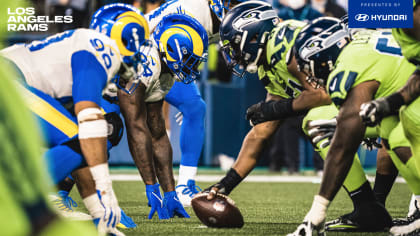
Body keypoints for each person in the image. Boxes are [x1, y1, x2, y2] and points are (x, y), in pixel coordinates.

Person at [204, 2, 393, 232]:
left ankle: (368, 206)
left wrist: (276, 109)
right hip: (366, 96)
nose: (233, 55)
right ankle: (374, 207)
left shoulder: (284, 43)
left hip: (378, 90)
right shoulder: (268, 64)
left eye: (235, 46)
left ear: (253, 37)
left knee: (316, 121)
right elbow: (261, 134)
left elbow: (324, 94)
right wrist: (225, 185)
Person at [287, 20, 420, 236]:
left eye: (311, 65)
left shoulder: (349, 66)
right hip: (411, 95)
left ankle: (371, 208)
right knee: (390, 126)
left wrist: (317, 211)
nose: (311, 75)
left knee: (392, 128)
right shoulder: (365, 41)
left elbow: (342, 147)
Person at [144, 0, 244, 206]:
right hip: (148, 54)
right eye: (233, 4)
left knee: (195, 108)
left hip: (169, 57)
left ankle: (184, 185)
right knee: (108, 121)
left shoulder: (222, 18)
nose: (237, 11)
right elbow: (172, 47)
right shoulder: (193, 11)